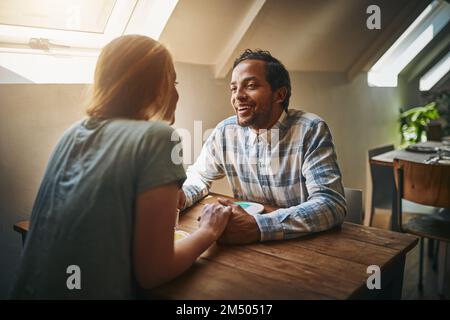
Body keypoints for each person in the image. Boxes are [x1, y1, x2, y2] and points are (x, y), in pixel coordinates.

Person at [10, 35, 231, 299]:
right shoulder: (160, 137)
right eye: (172, 81)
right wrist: (209, 231)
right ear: (156, 86)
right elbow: (154, 272)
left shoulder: (72, 133)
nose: (176, 91)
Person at [178, 49, 346, 244]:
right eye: (233, 88)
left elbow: (331, 204)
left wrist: (258, 227)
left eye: (250, 86)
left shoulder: (310, 130)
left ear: (279, 94)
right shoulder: (225, 131)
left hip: (305, 248)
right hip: (246, 249)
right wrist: (182, 197)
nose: (238, 96)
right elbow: (199, 176)